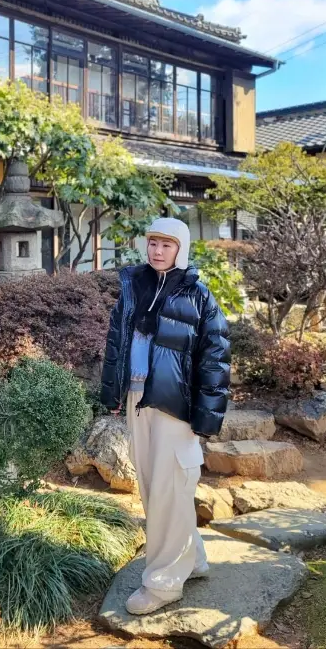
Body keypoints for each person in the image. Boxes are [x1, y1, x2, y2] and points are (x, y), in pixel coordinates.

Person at [101, 217, 230, 616]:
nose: (157, 251)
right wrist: (111, 392)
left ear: (182, 249)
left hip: (175, 406)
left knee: (172, 486)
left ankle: (162, 583)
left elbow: (216, 357)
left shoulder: (199, 296)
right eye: (153, 242)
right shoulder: (133, 285)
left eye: (166, 245)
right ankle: (193, 559)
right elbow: (115, 342)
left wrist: (206, 418)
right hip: (138, 398)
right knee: (153, 487)